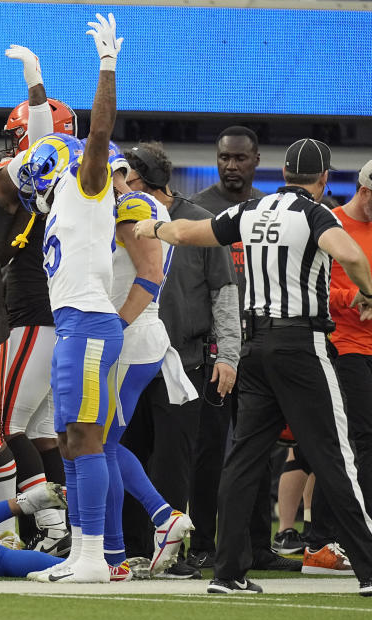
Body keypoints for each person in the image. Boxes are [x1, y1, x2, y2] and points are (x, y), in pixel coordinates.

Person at [134, 137, 372, 596]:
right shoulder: (314, 214)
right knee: (335, 456)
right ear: (323, 179)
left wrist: (150, 229)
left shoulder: (249, 212)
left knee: (243, 459)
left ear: (282, 174)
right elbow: (351, 255)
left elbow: (185, 234)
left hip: (253, 346)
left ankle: (228, 572)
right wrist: (366, 293)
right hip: (301, 344)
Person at [1, 13, 123, 584]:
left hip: (92, 325)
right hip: (77, 323)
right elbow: (42, 136)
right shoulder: (57, 199)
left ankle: (95, 554)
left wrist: (106, 66)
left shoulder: (87, 185)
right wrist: (34, 79)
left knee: (84, 437)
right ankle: (81, 550)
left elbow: (94, 136)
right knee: (70, 439)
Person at [118, 141, 240, 578]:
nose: (119, 186)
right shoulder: (115, 218)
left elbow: (224, 294)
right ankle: (129, 549)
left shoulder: (200, 223)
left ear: (147, 180)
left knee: (173, 461)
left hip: (183, 358)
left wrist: (228, 354)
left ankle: (167, 551)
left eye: (126, 178)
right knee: (125, 450)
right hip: (125, 356)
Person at [189, 127, 293, 573]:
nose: (231, 165)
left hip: (261, 345)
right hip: (213, 352)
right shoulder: (199, 210)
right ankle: (203, 544)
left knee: (259, 450)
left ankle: (259, 545)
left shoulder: (270, 210)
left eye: (240, 159)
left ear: (256, 161)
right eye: (224, 157)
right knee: (209, 449)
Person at [303, 158, 372, 573]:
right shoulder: (328, 223)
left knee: (351, 446)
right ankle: (364, 539)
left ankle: (328, 541)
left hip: (371, 349)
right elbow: (316, 292)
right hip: (338, 347)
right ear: (366, 189)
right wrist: (355, 298)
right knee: (363, 441)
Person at [0, 46, 75, 554]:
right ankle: (64, 528)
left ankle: (48, 528)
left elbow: (43, 144)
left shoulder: (54, 180)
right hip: (51, 317)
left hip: (36, 316)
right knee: (44, 431)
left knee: (4, 425)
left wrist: (35, 81)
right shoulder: (71, 186)